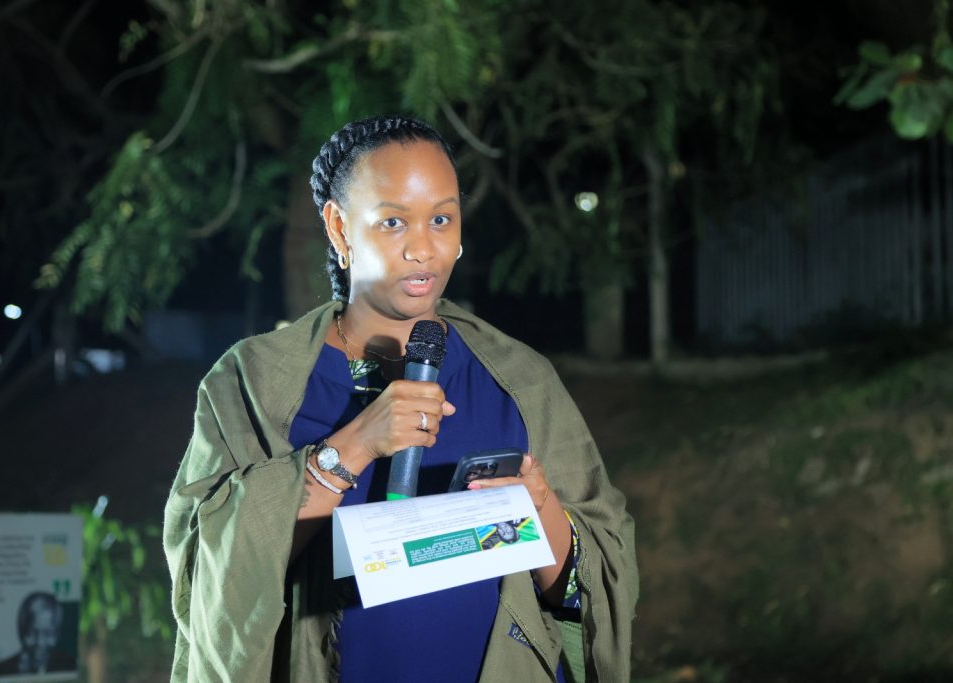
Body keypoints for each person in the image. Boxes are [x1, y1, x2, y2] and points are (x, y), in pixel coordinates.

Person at [163, 115, 638, 682]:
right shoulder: (253, 381)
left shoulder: (521, 377)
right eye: (393, 222)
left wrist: (541, 510)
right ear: (339, 228)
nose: (423, 248)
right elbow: (216, 576)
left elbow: (596, 586)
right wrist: (352, 447)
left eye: (441, 218)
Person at [0, 592, 76, 676]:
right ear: (22, 632)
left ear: (57, 634)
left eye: (48, 633)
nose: (40, 642)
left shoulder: (70, 666)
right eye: (32, 633)